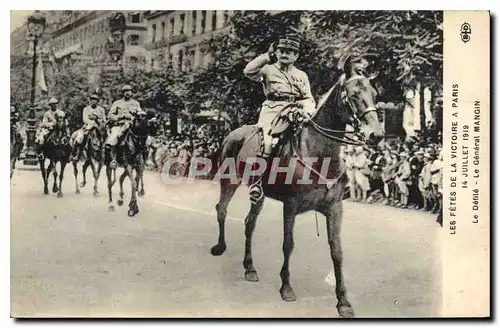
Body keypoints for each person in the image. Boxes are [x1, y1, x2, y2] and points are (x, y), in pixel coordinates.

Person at [243, 33, 316, 202]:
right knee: (268, 141)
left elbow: (308, 97)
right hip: (272, 111)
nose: (284, 54)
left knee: (310, 140)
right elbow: (248, 71)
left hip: (296, 112)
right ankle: (257, 182)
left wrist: (308, 110)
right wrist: (266, 57)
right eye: (281, 51)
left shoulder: (301, 75)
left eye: (289, 52)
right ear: (275, 52)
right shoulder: (268, 70)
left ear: (296, 56)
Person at [104, 84, 144, 169]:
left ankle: (143, 158)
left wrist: (138, 114)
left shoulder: (136, 103)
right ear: (122, 93)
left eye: (129, 91)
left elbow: (140, 113)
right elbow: (110, 115)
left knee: (144, 138)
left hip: (132, 126)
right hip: (119, 125)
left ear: (131, 92)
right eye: (125, 91)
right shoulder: (117, 103)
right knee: (114, 137)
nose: (127, 93)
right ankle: (113, 159)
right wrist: (120, 116)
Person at [70, 94, 107, 160]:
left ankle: (103, 154)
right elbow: (84, 119)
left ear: (97, 101)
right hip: (88, 126)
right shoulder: (86, 109)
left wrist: (97, 119)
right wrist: (92, 123)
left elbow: (104, 119)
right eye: (92, 99)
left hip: (99, 127)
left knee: (106, 137)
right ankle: (75, 153)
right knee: (80, 137)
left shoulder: (101, 109)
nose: (93, 101)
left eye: (95, 100)